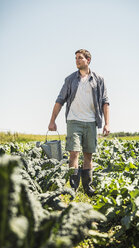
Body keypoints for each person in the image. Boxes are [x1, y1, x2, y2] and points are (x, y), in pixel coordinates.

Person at [48, 49, 110, 196]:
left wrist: (107, 123)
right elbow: (60, 100)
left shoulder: (98, 79)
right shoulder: (70, 79)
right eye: (75, 58)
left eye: (80, 58)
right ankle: (73, 188)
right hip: (73, 121)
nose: (77, 60)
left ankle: (88, 187)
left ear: (88, 60)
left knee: (88, 155)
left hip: (91, 122)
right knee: (74, 153)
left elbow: (105, 102)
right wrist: (52, 121)